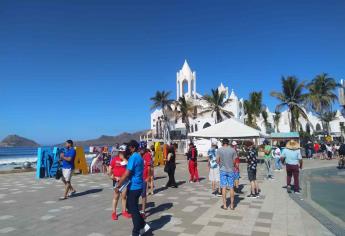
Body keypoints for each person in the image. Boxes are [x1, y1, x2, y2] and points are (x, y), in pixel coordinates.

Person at [116, 140, 150, 236]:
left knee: (133, 210)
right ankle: (143, 225)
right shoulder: (139, 157)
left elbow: (127, 173)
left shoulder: (133, 157)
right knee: (132, 207)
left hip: (134, 187)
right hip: (139, 185)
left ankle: (136, 232)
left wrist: (119, 184)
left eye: (129, 147)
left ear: (133, 148)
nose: (128, 149)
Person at [108, 145, 131, 220]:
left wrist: (124, 158)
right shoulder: (114, 159)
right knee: (116, 196)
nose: (121, 153)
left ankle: (124, 211)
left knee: (124, 196)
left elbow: (129, 166)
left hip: (124, 181)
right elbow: (110, 169)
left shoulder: (126, 160)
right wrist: (111, 176)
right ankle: (114, 212)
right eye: (120, 152)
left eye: (123, 152)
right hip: (116, 181)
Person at [217, 138, 236, 210]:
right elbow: (234, 161)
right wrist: (231, 165)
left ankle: (225, 205)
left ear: (222, 143)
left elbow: (217, 160)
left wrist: (220, 164)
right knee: (231, 187)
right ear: (228, 143)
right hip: (231, 170)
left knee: (223, 187)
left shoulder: (219, 150)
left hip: (223, 170)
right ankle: (232, 205)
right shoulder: (232, 150)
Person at [139, 143, 153, 219]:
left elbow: (149, 167)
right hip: (137, 178)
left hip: (144, 177)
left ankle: (143, 211)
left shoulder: (147, 155)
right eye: (141, 148)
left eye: (143, 148)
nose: (142, 150)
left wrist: (148, 177)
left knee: (143, 194)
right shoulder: (138, 155)